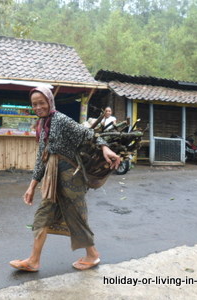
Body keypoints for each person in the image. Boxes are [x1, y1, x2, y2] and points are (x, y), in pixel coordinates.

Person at [9, 86, 120, 272]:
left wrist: (105, 147)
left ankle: (92, 255)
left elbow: (88, 134)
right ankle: (33, 261)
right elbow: (41, 159)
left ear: (50, 102)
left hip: (71, 177)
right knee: (42, 216)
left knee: (76, 216)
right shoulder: (43, 126)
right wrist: (31, 186)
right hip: (52, 178)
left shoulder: (60, 120)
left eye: (41, 103)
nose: (38, 107)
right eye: (34, 104)